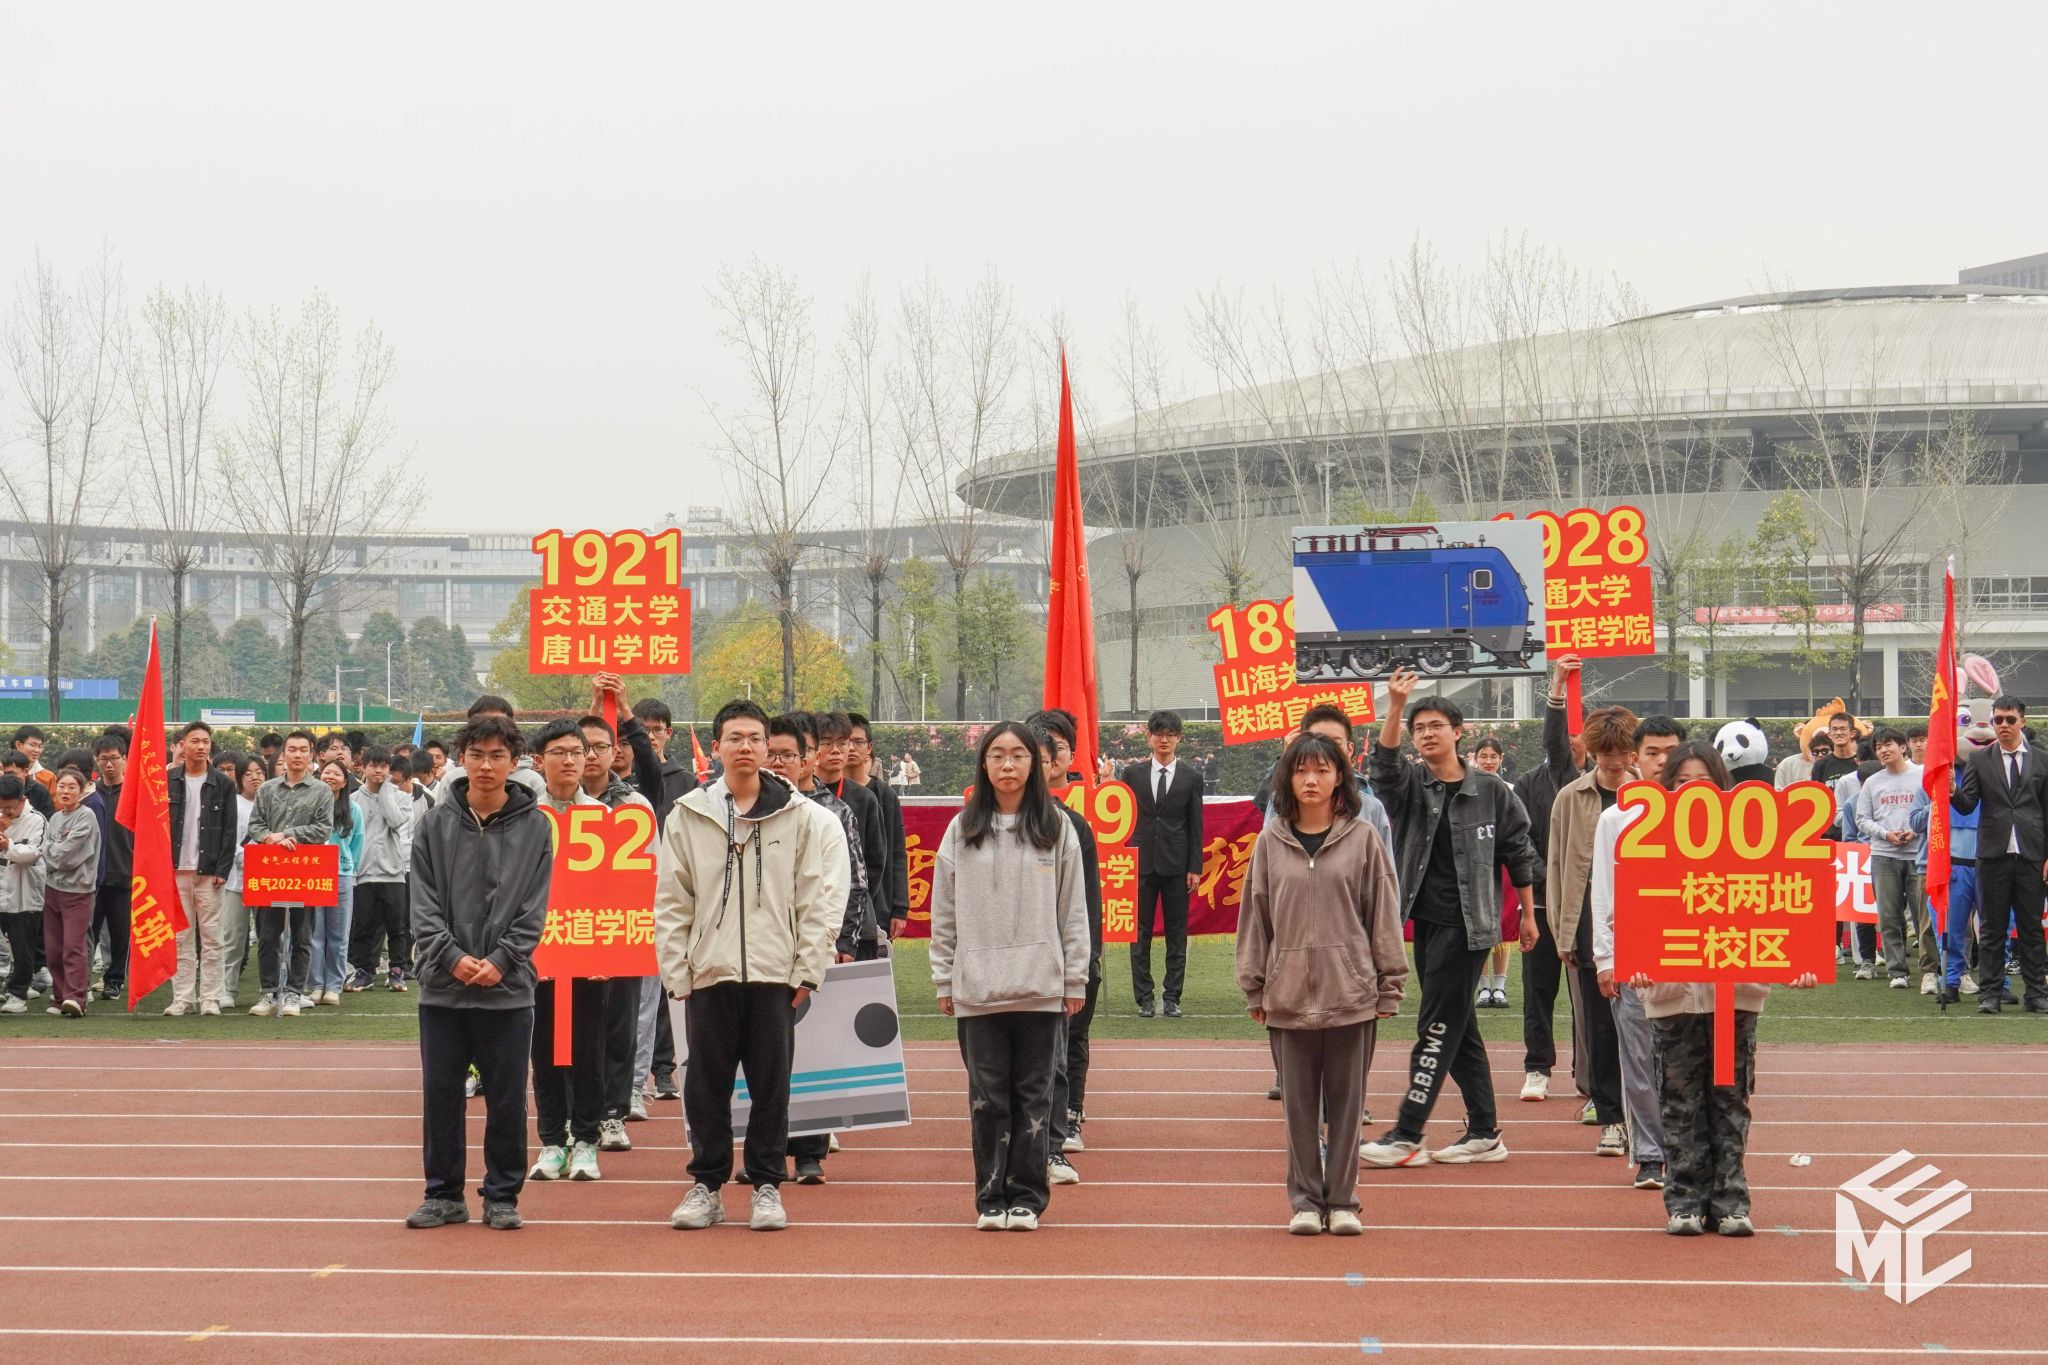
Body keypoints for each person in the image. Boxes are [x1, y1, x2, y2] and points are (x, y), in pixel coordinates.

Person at [656, 699, 847, 1234]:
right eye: (734, 738)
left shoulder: (800, 816)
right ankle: (707, 1186)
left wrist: (808, 968)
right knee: (706, 1088)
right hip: (709, 973)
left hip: (775, 974)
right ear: (716, 747)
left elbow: (815, 898)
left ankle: (767, 1185)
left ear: (767, 748)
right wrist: (677, 972)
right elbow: (672, 900)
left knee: (771, 1087)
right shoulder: (689, 814)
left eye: (755, 738)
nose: (745, 747)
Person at [1625, 741, 1821, 1236]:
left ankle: (1731, 1201)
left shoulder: (1753, 841)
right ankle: (1684, 1202)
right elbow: (1627, 911)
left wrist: (1798, 962)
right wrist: (1634, 961)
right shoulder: (1646, 841)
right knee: (1680, 1101)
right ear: (1666, 788)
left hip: (1735, 992)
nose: (1694, 793)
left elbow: (1783, 905)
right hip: (1672, 993)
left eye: (1704, 783)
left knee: (1730, 1100)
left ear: (1723, 788)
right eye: (1682, 783)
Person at [1360, 669, 1536, 1169]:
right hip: (1427, 921)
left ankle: (1407, 1133)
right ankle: (1484, 1132)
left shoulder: (1492, 791)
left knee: (1435, 1025)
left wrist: (1528, 914)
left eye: (1436, 725)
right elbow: (1383, 768)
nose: (1427, 734)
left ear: (1458, 731)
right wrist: (1396, 705)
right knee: (1459, 1027)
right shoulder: (1411, 786)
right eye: (1419, 729)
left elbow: (1518, 851)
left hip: (1470, 926)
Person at [1238, 732, 1404, 1235]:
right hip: (1287, 997)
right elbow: (1256, 917)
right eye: (1301, 770)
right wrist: (1256, 985)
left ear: (1340, 777)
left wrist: (1389, 983)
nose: (1311, 780)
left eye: (1322, 770)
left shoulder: (1363, 839)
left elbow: (1383, 915)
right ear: (1287, 779)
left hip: (1351, 995)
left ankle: (1343, 1200)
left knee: (1348, 1109)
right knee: (1299, 1111)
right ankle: (1306, 1202)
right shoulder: (1271, 841)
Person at [930, 722, 1090, 1231]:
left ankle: (1026, 1196)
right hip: (979, 988)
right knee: (987, 1100)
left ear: (1035, 764)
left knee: (1034, 1098)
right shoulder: (962, 829)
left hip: (1040, 987)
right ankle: (990, 1197)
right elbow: (944, 911)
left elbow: (1073, 910)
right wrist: (944, 977)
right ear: (983, 763)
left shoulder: (1056, 827)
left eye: (1018, 754)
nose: (1007, 764)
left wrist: (1075, 978)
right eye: (996, 754)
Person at [407, 715, 553, 1232]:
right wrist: (450, 957)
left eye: (497, 755)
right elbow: (422, 904)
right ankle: (443, 1194)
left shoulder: (536, 827)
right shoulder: (434, 824)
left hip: (508, 988)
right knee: (441, 1095)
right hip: (443, 988)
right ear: (461, 759)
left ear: (515, 762)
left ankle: (502, 1194)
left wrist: (502, 960)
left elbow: (534, 907)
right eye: (476, 754)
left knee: (507, 1098)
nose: (486, 765)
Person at [1248, 703, 1395, 1101]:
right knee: (1301, 1097)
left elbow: (1383, 892)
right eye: (1312, 743)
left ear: (1349, 751)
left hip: (1350, 965)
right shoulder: (1279, 815)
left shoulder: (1371, 811)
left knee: (1346, 1085)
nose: (1318, 761)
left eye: (1333, 743)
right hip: (1293, 967)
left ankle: (1348, 1105)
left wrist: (1384, 970)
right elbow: (1267, 888)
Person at [767, 713, 869, 1186]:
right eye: (771, 753)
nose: (778, 762)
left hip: (814, 950)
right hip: (760, 952)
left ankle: (810, 1152)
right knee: (764, 1059)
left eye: (788, 754)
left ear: (807, 758)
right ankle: (766, 1152)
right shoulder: (741, 809)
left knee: (813, 1053)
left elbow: (853, 881)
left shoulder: (833, 813)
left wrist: (843, 941)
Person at [1588, 715, 1687, 1193]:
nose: (1662, 760)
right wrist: (1605, 958)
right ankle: (1650, 1154)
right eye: (1652, 752)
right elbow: (1603, 890)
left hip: (1693, 955)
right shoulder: (1616, 818)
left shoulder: (1710, 816)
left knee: (1688, 1062)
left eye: (1671, 751)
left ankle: (1687, 1151)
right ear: (1635, 758)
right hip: (1635, 956)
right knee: (1640, 1061)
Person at [1542, 702, 1639, 1161]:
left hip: (1643, 923)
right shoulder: (1571, 797)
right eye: (1606, 753)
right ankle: (1611, 1118)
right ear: (1593, 752)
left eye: (1622, 752)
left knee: (1645, 1028)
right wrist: (1562, 933)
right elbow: (1558, 865)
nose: (1615, 762)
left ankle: (1648, 1117)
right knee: (1598, 1028)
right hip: (1587, 925)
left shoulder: (1651, 796)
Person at [526, 719, 611, 1184]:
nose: (571, 760)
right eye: (559, 752)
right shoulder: (524, 815)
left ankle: (586, 1141)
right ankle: (552, 1141)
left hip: (589, 951)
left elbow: (619, 891)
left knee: (587, 1051)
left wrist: (607, 952)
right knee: (544, 1051)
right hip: (535, 954)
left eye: (577, 752)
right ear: (540, 760)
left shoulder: (603, 817)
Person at [576, 706, 658, 1154]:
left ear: (615, 752)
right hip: (568, 931)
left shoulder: (635, 806)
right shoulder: (550, 804)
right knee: (572, 1029)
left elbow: (652, 870)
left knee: (620, 1027)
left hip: (620, 929)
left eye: (600, 747)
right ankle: (576, 1114)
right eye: (582, 747)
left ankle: (612, 1113)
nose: (590, 755)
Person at [1025, 722, 1099, 1187]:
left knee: (1056, 1055)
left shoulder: (1070, 826)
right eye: (1007, 757)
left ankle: (1054, 1139)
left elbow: (1083, 902)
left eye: (1033, 759)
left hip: (1053, 964)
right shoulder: (976, 825)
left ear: (1055, 766)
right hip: (1004, 968)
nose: (1019, 768)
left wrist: (1084, 963)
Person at [1514, 655, 1584, 1105]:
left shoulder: (1594, 782)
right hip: (1540, 905)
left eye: (1580, 733)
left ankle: (1588, 1070)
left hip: (1584, 909)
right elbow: (1519, 841)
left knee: (1587, 997)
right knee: (1538, 992)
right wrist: (1558, 686)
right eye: (1567, 733)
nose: (1572, 740)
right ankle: (1537, 1068)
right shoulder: (1529, 783)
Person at [1950, 695, 2048, 1014]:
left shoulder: (2042, 760)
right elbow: (1968, 804)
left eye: (2009, 719)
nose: (2003, 725)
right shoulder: (1980, 760)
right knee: (1992, 929)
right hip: (1992, 854)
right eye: (1998, 720)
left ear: (2023, 721)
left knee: (2031, 928)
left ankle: (2036, 993)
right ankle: (1990, 994)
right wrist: (1952, 790)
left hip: (2032, 854)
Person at [1123, 709, 1204, 1018]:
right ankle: (1144, 998)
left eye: (1171, 735)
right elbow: (1123, 819)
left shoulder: (1191, 777)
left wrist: (1194, 867)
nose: (1165, 740)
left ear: (1179, 738)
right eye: (1159, 734)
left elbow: (1196, 825)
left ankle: (1172, 997)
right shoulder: (1132, 775)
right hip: (1140, 863)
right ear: (1150, 737)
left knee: (1176, 933)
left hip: (1177, 866)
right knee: (1139, 934)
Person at [246, 731, 333, 1018]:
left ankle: (295, 992)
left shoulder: (321, 791)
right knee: (268, 935)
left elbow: (323, 829)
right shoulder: (268, 789)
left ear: (311, 755)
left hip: (305, 870)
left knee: (302, 934)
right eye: (292, 750)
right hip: (270, 869)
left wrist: (288, 834)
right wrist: (270, 838)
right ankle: (269, 991)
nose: (297, 755)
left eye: (303, 750)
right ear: (283, 755)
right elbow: (255, 825)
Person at [165, 721, 238, 1017]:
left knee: (212, 937)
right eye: (195, 741)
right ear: (182, 745)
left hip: (209, 872)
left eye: (206, 741)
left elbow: (230, 831)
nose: (201, 746)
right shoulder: (167, 780)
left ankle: (210, 996)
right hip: (175, 871)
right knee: (180, 937)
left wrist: (222, 869)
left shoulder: (223, 784)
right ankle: (182, 997)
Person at [1856, 727, 1933, 993]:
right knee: (1888, 917)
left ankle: (1930, 971)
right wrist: (1885, 834)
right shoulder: (1872, 782)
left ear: (1903, 747)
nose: (1883, 750)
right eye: (1878, 747)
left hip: (1919, 856)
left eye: (1888, 744)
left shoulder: (1922, 775)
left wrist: (1915, 831)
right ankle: (1897, 971)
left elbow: (1934, 809)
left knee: (1924, 918)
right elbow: (1862, 819)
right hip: (1883, 856)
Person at [347, 747, 416, 993]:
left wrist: (386, 790)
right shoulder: (353, 799)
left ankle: (397, 970)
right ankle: (363, 971)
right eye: (373, 766)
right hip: (363, 871)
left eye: (384, 767)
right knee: (363, 925)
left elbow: (395, 821)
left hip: (393, 872)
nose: (379, 771)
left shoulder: (401, 797)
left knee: (397, 926)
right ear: (363, 768)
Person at [40, 770, 100, 1017]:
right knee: (53, 949)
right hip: (52, 889)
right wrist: (52, 851)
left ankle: (76, 998)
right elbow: (47, 849)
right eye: (62, 786)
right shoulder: (55, 818)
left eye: (72, 787)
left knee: (73, 946)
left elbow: (66, 856)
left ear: (82, 790)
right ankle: (60, 997)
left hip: (78, 891)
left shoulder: (86, 816)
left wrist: (50, 851)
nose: (65, 791)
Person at [305, 758, 364, 1007]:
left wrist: (349, 869)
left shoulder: (354, 809)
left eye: (336, 774)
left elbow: (357, 844)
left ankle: (333, 986)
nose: (330, 776)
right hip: (313, 874)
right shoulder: (309, 805)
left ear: (344, 781)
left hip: (341, 876)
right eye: (326, 772)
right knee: (315, 934)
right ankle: (316, 984)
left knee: (338, 935)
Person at [847, 712, 910, 944]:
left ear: (869, 747)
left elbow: (897, 852)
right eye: (844, 741)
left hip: (878, 905)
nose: (851, 748)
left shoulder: (885, 795)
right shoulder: (824, 794)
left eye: (858, 741)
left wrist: (899, 907)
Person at [84, 735, 133, 1002]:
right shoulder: (90, 795)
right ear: (96, 760)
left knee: (120, 933)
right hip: (92, 877)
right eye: (104, 758)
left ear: (125, 759)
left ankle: (114, 980)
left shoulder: (135, 792)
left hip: (125, 873)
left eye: (114, 758)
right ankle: (81, 980)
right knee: (87, 931)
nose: (109, 764)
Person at [216, 756, 264, 1011]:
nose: (255, 777)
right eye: (249, 773)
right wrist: (249, 858)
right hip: (237, 881)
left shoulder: (272, 803)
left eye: (260, 772)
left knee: (269, 938)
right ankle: (226, 989)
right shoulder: (233, 804)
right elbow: (229, 841)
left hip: (267, 882)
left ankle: (269, 989)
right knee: (233, 937)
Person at [0, 775, 47, 1014]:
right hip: (2, 889)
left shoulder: (37, 820)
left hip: (25, 893)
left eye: (9, 807)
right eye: (2, 807)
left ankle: (18, 994)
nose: (6, 811)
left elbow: (33, 854)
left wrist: (8, 846)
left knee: (22, 947)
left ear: (22, 800)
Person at [2, 750, 53, 818]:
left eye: (11, 774)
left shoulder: (39, 791)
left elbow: (47, 818)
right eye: (4, 774)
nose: (7, 777)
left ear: (26, 772)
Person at [13, 726, 54, 794]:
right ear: (18, 745)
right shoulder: (4, 772)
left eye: (40, 746)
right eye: (32, 745)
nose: (37, 750)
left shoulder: (49, 777)